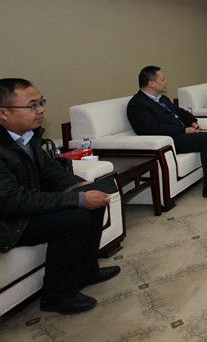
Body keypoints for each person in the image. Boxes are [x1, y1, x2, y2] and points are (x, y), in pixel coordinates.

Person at [0, 78, 120, 314]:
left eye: (41, 102)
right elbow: (11, 201)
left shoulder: (28, 135)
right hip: (9, 221)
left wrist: (77, 186)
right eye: (32, 105)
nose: (41, 110)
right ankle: (56, 295)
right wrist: (77, 199)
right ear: (3, 113)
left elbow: (48, 170)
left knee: (93, 199)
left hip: (26, 206)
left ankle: (86, 271)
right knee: (75, 218)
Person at [127, 66, 207, 199]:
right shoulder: (138, 104)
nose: (165, 82)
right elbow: (152, 128)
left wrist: (192, 122)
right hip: (169, 141)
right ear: (151, 83)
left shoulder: (162, 99)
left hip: (181, 134)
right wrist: (183, 130)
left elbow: (180, 112)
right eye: (162, 79)